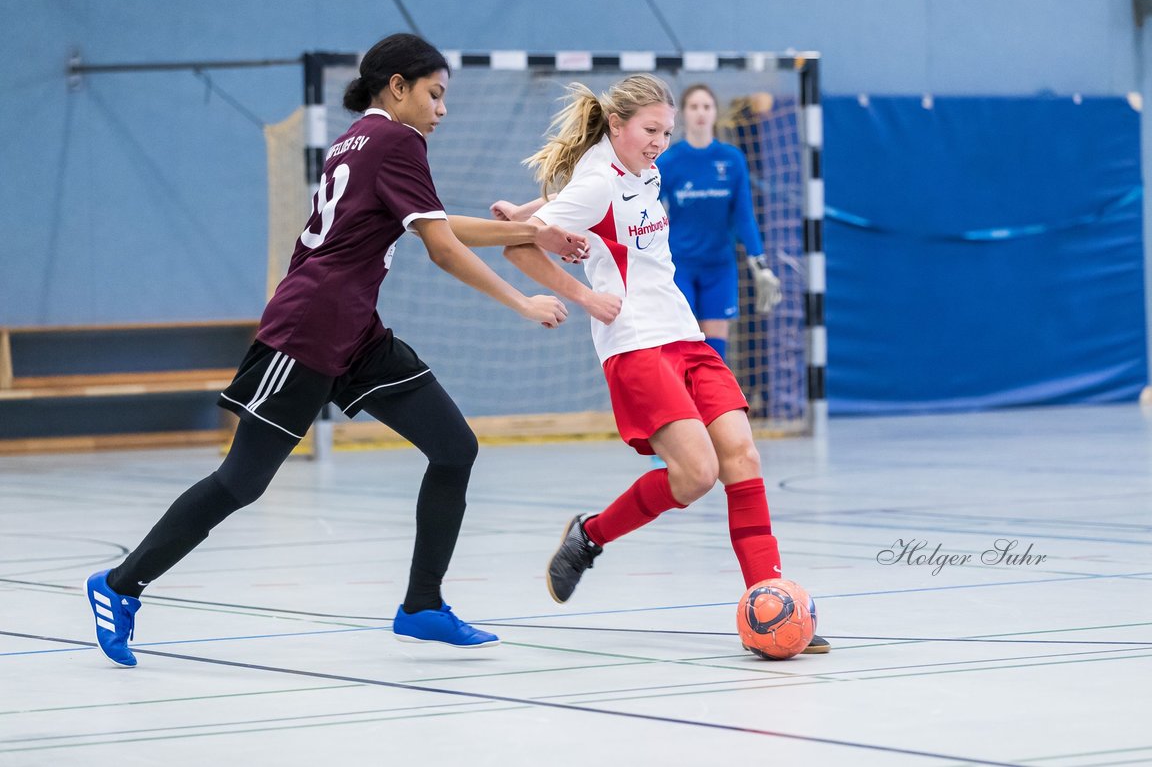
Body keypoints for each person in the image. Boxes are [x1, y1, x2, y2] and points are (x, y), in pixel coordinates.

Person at [85, 33, 588, 667]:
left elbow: (435, 224)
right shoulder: (397, 141)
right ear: (397, 86)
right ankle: (118, 585)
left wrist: (530, 232)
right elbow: (440, 248)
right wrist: (522, 301)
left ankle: (422, 606)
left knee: (455, 447)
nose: (442, 109)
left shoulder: (361, 140)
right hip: (308, 330)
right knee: (241, 483)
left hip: (356, 332)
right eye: (434, 94)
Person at [501, 74, 828, 654]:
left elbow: (557, 206)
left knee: (743, 454)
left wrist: (527, 207)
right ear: (619, 125)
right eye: (651, 130)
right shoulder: (599, 181)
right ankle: (591, 535)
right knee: (697, 475)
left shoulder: (643, 171)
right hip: (634, 343)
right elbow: (517, 246)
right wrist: (584, 296)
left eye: (666, 132)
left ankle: (767, 600)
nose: (660, 141)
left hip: (684, 332)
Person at [656, 84, 781, 361]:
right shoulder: (669, 161)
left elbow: (744, 215)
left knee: (714, 351)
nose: (700, 113)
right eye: (694, 107)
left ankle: (712, 406)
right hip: (680, 266)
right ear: (682, 114)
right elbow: (647, 207)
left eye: (706, 106)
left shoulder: (732, 159)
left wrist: (759, 263)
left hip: (719, 267)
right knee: (682, 343)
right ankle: (682, 405)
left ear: (715, 113)